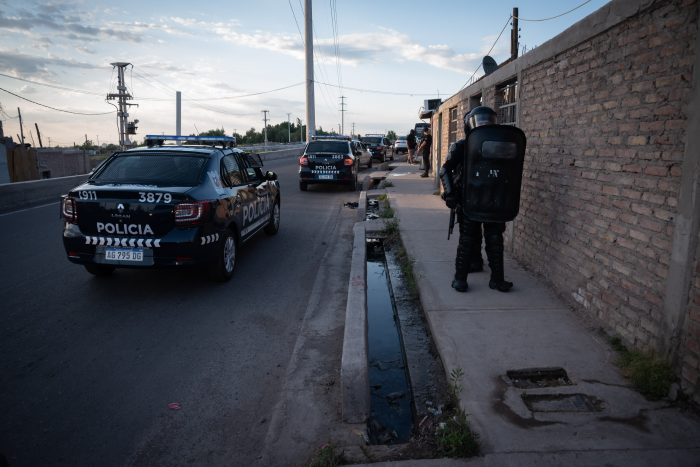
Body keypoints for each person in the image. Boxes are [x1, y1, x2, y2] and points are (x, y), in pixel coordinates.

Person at [440, 106, 513, 293]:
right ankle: (460, 278)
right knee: (467, 240)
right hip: (468, 199)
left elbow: (507, 173)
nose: (484, 124)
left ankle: (497, 279)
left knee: (495, 239)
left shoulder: (499, 146)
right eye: (480, 121)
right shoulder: (461, 147)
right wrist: (450, 193)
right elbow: (445, 170)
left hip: (492, 199)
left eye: (487, 121)